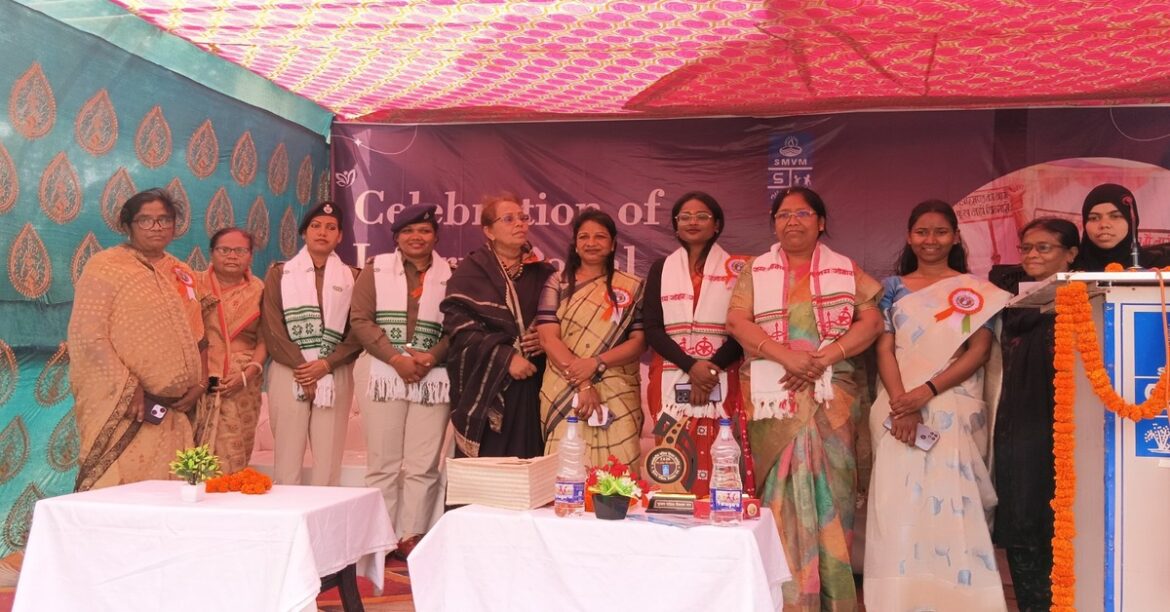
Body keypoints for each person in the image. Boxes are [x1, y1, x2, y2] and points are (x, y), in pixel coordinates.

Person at [726, 186, 883, 611]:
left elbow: (871, 320)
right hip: (773, 396)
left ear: (821, 222)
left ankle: (831, 597)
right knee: (777, 498)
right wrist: (786, 358)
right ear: (774, 223)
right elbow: (737, 321)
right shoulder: (756, 270)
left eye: (803, 213)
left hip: (832, 398)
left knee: (831, 496)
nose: (792, 221)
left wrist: (823, 357)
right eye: (783, 215)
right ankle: (783, 598)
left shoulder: (846, 270)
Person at [864, 200, 1011, 610]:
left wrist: (925, 393)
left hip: (951, 405)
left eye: (940, 232)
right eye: (922, 232)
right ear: (910, 237)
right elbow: (884, 349)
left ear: (955, 237)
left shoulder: (975, 291)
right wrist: (902, 404)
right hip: (897, 408)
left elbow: (978, 350)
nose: (931, 240)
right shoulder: (891, 288)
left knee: (955, 505)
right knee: (898, 505)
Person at [69, 188, 207, 492]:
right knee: (121, 493)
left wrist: (199, 385)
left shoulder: (181, 271)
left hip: (175, 412)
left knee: (168, 495)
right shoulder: (106, 267)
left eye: (164, 219)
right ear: (128, 225)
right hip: (127, 407)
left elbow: (199, 335)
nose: (156, 227)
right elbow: (88, 335)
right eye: (145, 220)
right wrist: (128, 388)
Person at [350, 204, 452, 559]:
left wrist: (431, 357)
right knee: (383, 463)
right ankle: (379, 538)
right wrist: (396, 360)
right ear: (396, 238)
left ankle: (413, 536)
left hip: (433, 374)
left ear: (436, 237)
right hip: (382, 371)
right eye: (408, 231)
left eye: (424, 231)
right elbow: (360, 320)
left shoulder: (452, 274)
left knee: (424, 463)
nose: (416, 237)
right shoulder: (375, 269)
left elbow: (457, 328)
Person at [990, 217, 1079, 612]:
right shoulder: (1007, 300)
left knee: (1065, 527)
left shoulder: (1088, 298)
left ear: (1071, 254)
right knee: (1024, 524)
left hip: (1072, 433)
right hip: (1019, 431)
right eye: (1026, 248)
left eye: (1044, 247)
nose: (1032, 255)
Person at [643, 191, 754, 496]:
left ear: (717, 224)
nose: (693, 222)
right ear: (675, 225)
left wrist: (711, 368)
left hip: (723, 371)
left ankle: (720, 512)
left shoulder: (738, 268)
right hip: (669, 373)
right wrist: (692, 367)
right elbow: (652, 327)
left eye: (702, 216)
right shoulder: (661, 269)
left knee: (721, 450)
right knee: (674, 454)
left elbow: (743, 327)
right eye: (685, 217)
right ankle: (675, 508)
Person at [441, 193, 555, 458]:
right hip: (489, 387)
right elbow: (460, 329)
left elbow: (560, 319)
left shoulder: (544, 272)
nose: (520, 224)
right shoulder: (470, 272)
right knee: (490, 472)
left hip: (533, 382)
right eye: (509, 219)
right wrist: (505, 358)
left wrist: (546, 336)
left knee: (529, 463)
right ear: (489, 231)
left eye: (523, 218)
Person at [261, 201, 361, 485]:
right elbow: (272, 326)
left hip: (334, 370)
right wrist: (303, 367)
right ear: (304, 233)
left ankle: (324, 524)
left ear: (340, 236)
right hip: (288, 369)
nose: (322, 232)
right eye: (315, 226)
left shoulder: (353, 277)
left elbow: (357, 331)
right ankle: (285, 520)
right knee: (287, 458)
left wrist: (326, 364)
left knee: (328, 460)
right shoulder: (280, 274)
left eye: (331, 228)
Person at [536, 210, 646, 468]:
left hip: (616, 387)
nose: (591, 243)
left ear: (613, 244)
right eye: (584, 237)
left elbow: (639, 342)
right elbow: (548, 339)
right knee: (565, 468)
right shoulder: (557, 283)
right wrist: (584, 383)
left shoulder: (633, 286)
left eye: (600, 237)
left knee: (619, 473)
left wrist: (597, 362)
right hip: (564, 389)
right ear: (575, 244)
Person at [193, 227, 267, 474]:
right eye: (224, 250)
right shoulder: (193, 285)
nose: (232, 256)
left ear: (250, 256)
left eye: (240, 251)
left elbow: (265, 338)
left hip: (243, 383)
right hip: (198, 379)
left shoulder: (260, 290)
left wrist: (249, 372)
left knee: (232, 455)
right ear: (211, 253)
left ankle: (229, 499)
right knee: (193, 454)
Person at [1074, 182, 1170, 271]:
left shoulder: (1159, 268)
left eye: (1115, 216)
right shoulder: (1070, 268)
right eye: (1094, 218)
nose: (1104, 225)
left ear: (1131, 221)